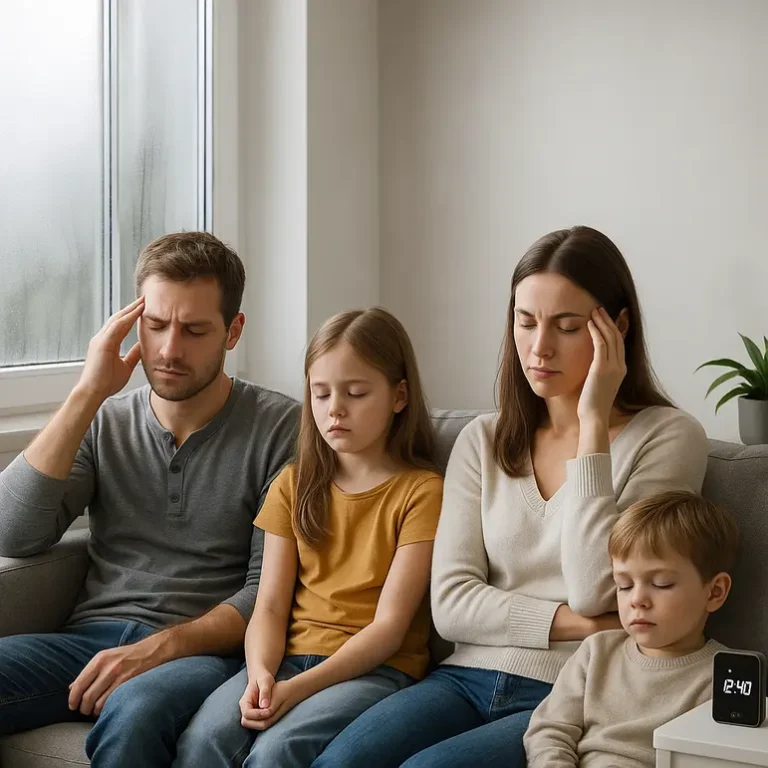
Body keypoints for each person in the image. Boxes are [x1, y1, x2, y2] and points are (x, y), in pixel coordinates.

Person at [314, 225, 711, 768]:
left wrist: (592, 423)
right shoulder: (483, 439)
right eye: (525, 322)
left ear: (616, 330)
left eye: (567, 327)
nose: (539, 347)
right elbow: (451, 605)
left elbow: (598, 587)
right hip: (462, 677)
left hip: (574, 691)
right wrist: (571, 622)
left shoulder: (668, 437)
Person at [0, 232, 300, 768]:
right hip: (90, 641)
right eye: (155, 325)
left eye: (193, 330)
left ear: (233, 332)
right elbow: (13, 533)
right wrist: (88, 392)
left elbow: (268, 591)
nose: (168, 350)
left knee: (136, 708)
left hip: (203, 655)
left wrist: (159, 648)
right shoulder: (105, 421)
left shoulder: (283, 429)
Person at [172, 308, 444, 767]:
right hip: (286, 659)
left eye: (356, 393)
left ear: (399, 396)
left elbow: (389, 628)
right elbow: (270, 605)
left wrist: (297, 689)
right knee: (202, 742)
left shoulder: (422, 492)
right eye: (320, 394)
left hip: (374, 669)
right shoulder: (293, 484)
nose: (334, 408)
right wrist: (259, 672)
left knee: (277, 752)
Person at [524, 490, 738, 767]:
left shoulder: (725, 677)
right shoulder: (596, 652)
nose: (636, 599)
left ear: (714, 592)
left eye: (661, 583)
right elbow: (550, 731)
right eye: (624, 585)